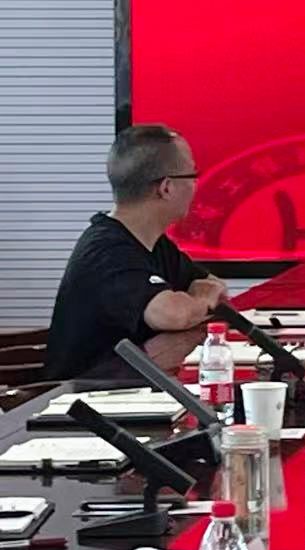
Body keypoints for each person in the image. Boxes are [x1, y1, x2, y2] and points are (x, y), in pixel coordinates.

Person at [46, 125, 228, 380]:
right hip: (86, 395)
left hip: (131, 387)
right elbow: (172, 314)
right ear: (166, 187)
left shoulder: (153, 242)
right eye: (193, 175)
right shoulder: (106, 250)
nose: (195, 185)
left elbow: (215, 288)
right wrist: (201, 299)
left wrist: (197, 300)